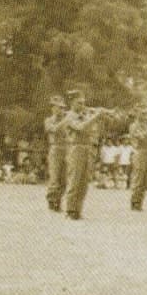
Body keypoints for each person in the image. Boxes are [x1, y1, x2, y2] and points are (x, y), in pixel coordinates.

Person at [61, 90, 108, 220]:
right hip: (76, 148)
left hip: (88, 149)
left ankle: (78, 210)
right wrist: (95, 116)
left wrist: (97, 117)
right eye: (79, 103)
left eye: (83, 103)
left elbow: (93, 131)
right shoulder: (69, 116)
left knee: (84, 182)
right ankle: (70, 210)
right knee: (75, 180)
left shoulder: (85, 115)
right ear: (72, 102)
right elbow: (80, 128)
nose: (82, 105)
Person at [44, 96, 70, 211]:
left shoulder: (67, 120)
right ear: (53, 108)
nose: (61, 110)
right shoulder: (49, 120)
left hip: (67, 149)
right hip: (55, 149)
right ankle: (52, 201)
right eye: (58, 107)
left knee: (64, 179)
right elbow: (54, 130)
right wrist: (66, 119)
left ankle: (58, 200)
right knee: (54, 177)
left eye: (62, 108)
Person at [128, 107, 147, 211]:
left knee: (145, 179)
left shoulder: (146, 125)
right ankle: (135, 202)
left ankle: (140, 201)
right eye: (143, 114)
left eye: (146, 114)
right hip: (140, 152)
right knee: (139, 178)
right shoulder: (134, 126)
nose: (145, 117)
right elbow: (141, 137)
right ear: (138, 115)